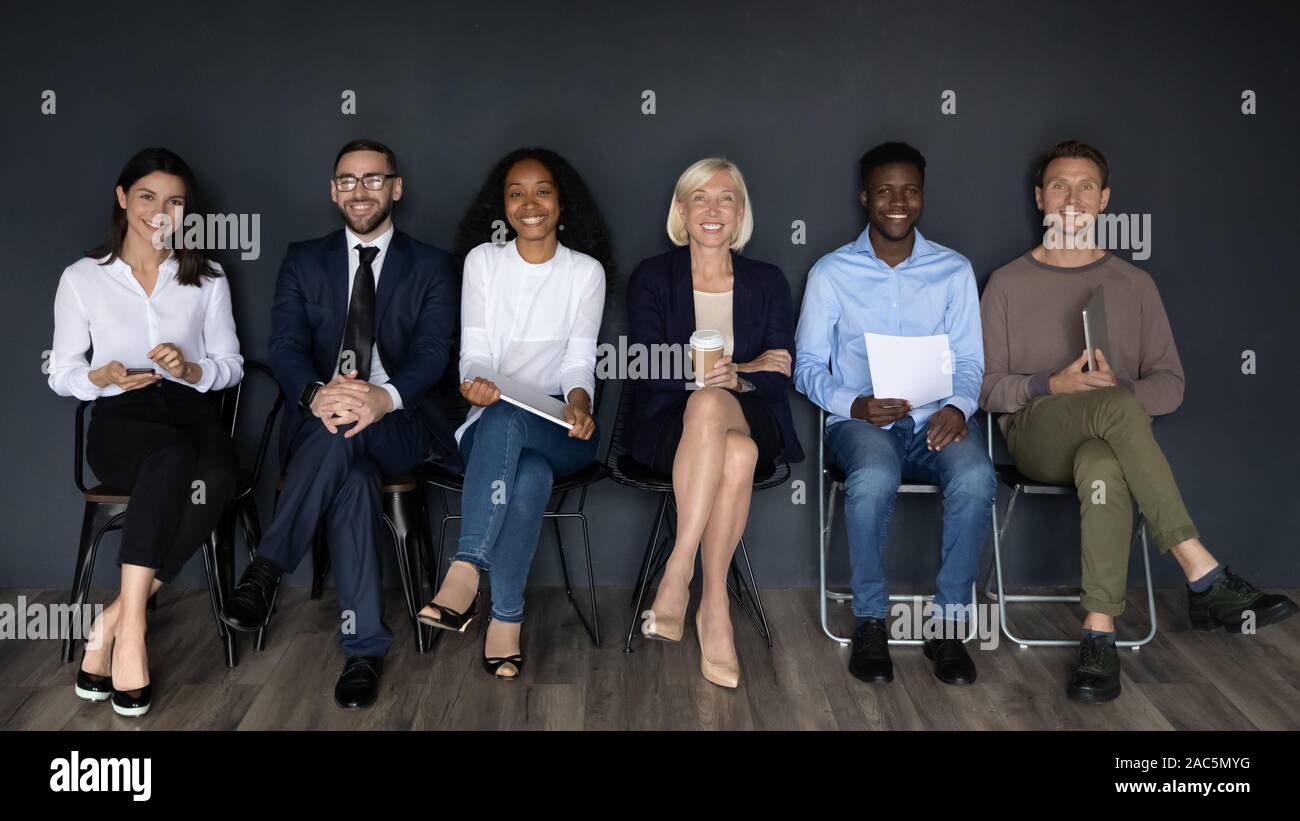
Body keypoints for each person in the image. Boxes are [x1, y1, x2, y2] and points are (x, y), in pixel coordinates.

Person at [980, 139, 1298, 704]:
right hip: (1036, 434)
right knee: (1117, 412)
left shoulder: (1135, 285)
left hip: (1106, 439)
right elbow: (981, 387)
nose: (1071, 198)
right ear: (1039, 198)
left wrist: (1114, 389)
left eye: (1084, 187)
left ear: (1104, 200)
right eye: (1059, 186)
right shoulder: (1006, 283)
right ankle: (1202, 572)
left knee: (1105, 460)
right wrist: (1053, 384)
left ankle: (1098, 635)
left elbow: (1170, 385)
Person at [220, 139, 460, 709]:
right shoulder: (304, 259)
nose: (360, 191)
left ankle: (267, 569)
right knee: (349, 476)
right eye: (348, 181)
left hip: (400, 423)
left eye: (374, 179)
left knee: (344, 431)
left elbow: (432, 354)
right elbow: (284, 348)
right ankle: (364, 649)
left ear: (396, 188)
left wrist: (384, 397)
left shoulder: (431, 265)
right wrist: (317, 395)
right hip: (320, 419)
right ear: (333, 191)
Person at [49, 147, 243, 717]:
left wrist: (190, 369)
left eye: (174, 201)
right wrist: (100, 375)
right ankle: (132, 639)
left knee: (220, 472)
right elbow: (60, 373)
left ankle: (114, 621)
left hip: (188, 407)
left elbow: (230, 364)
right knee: (169, 457)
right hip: (121, 419)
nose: (160, 211)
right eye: (147, 197)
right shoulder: (83, 278)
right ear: (122, 198)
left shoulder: (206, 277)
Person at [795, 141, 995, 688]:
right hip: (862, 424)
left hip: (937, 417)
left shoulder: (953, 270)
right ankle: (871, 624)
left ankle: (949, 627)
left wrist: (957, 406)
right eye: (885, 190)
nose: (898, 201)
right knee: (874, 476)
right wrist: (853, 404)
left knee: (977, 476)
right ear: (865, 198)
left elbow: (972, 361)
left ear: (922, 197)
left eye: (910, 190)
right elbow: (807, 367)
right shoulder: (831, 273)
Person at [417, 148, 612, 681]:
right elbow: (475, 351)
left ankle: (465, 571)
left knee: (519, 432)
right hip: (491, 423)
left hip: (561, 429)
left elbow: (578, 360)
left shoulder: (584, 273)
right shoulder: (484, 262)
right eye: (516, 193)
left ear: (561, 202)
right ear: (502, 206)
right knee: (525, 470)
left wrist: (578, 403)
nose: (530, 203)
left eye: (542, 191)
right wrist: (476, 384)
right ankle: (506, 620)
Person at [626, 157, 803, 689]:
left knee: (713, 407)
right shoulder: (653, 277)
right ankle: (715, 608)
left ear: (741, 212)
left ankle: (677, 572)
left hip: (754, 415)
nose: (712, 209)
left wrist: (736, 375)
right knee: (735, 451)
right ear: (681, 210)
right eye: (699, 197)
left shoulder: (766, 281)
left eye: (725, 197)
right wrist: (737, 367)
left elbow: (781, 371)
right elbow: (643, 364)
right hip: (667, 429)